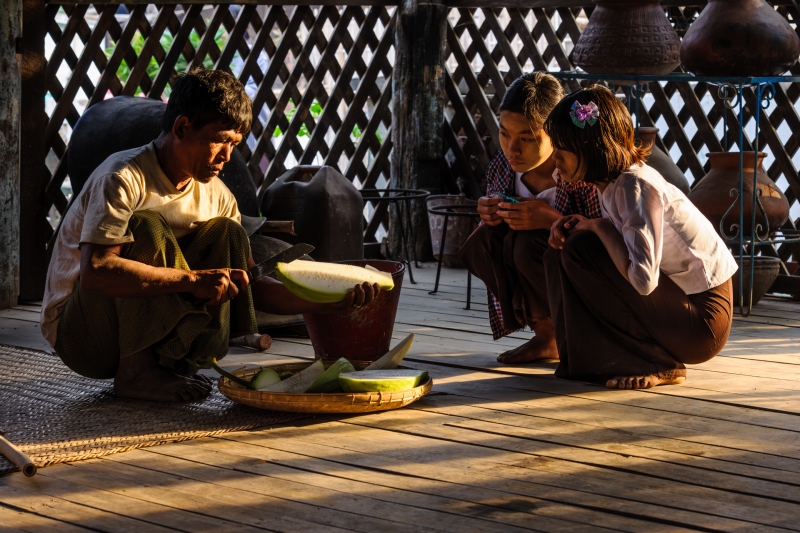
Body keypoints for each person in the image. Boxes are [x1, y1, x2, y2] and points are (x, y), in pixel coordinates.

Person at [40, 68, 379, 402]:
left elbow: (251, 284)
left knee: (228, 233)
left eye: (235, 144)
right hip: (85, 336)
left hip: (148, 330)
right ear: (182, 127)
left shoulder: (218, 196)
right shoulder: (123, 178)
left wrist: (330, 301)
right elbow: (97, 270)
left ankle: (177, 362)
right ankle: (135, 372)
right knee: (146, 226)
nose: (227, 156)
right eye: (220, 140)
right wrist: (191, 280)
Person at [544, 85, 737, 389]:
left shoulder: (635, 187)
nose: (554, 159)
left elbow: (644, 280)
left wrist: (601, 228)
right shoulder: (614, 184)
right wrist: (587, 224)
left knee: (583, 248)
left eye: (561, 151)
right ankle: (586, 358)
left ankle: (659, 364)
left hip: (702, 323)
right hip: (680, 305)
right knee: (566, 247)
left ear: (590, 148)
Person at [459, 72, 601, 364]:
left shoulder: (582, 170)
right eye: (504, 133)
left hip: (591, 284)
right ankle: (547, 336)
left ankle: (578, 335)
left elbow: (608, 243)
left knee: (526, 245)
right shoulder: (504, 165)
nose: (512, 148)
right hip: (530, 267)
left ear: (557, 133)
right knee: (481, 242)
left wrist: (552, 220)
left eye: (527, 138)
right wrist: (488, 212)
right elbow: (490, 233)